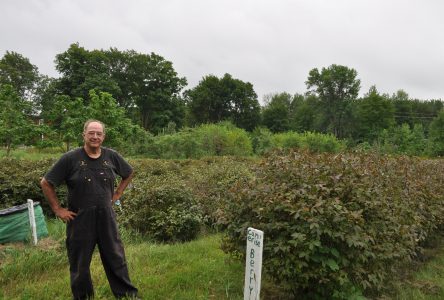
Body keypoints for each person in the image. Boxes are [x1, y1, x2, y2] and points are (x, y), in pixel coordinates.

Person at [40, 119, 139, 300]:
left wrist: (117, 194)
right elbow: (46, 183)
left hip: (106, 217)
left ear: (103, 136)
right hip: (80, 219)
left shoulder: (111, 156)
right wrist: (57, 209)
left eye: (98, 133)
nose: (95, 137)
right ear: (83, 135)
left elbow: (128, 172)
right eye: (91, 133)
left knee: (116, 258)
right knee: (80, 264)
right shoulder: (70, 159)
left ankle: (127, 296)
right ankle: (83, 297)